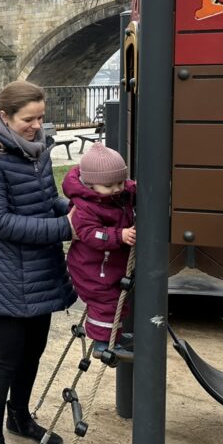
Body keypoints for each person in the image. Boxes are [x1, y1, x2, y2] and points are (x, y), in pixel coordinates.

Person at [0, 80, 75, 444]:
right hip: (7, 274)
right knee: (5, 359)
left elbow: (46, 201)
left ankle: (19, 417)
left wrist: (79, 209)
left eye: (41, 117)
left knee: (33, 351)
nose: (37, 126)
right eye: (29, 119)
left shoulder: (37, 150)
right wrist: (66, 228)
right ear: (4, 116)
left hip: (41, 269)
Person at [62, 143, 136, 352]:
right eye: (110, 185)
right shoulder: (85, 206)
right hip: (92, 268)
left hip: (108, 264)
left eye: (120, 182)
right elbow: (90, 233)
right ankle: (102, 344)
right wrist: (119, 235)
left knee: (116, 299)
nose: (117, 189)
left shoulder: (116, 193)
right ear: (90, 184)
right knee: (105, 303)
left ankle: (114, 335)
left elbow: (130, 188)